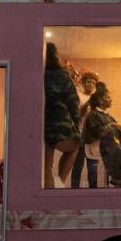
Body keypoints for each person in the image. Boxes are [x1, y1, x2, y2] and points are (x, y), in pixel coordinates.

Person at [43, 43, 81, 188]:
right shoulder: (62, 76)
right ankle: (60, 181)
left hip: (39, 123)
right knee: (75, 146)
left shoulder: (36, 74)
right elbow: (73, 102)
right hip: (59, 124)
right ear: (55, 56)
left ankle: (46, 192)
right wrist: (77, 122)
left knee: (47, 161)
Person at [71, 71, 100, 189]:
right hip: (80, 136)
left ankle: (93, 194)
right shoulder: (78, 96)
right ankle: (74, 193)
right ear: (83, 83)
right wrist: (89, 102)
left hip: (92, 138)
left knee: (93, 169)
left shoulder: (97, 99)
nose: (91, 85)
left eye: (93, 83)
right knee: (77, 166)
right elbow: (77, 114)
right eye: (89, 82)